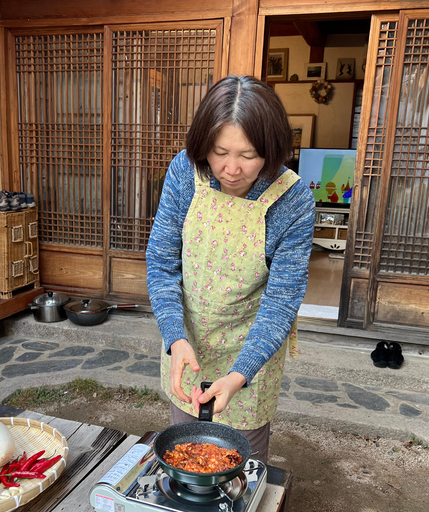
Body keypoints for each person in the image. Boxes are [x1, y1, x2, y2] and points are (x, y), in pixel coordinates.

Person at [146, 75, 315, 462]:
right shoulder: (185, 172)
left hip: (251, 347)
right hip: (188, 341)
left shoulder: (293, 201)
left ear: (271, 151)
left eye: (249, 155)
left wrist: (240, 375)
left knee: (239, 464)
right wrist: (175, 337)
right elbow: (162, 262)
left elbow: (281, 302)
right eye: (219, 152)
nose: (232, 169)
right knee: (185, 453)